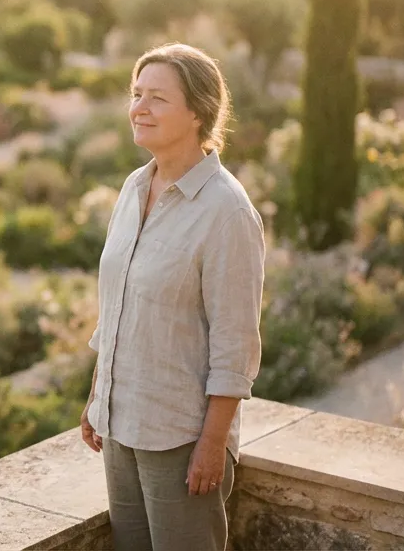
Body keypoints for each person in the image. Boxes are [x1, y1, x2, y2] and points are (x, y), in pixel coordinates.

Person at [78, 43, 266, 551]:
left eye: (157, 97)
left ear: (199, 112)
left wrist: (211, 445)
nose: (139, 107)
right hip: (122, 425)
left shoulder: (227, 212)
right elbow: (118, 303)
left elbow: (236, 345)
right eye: (136, 94)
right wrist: (100, 395)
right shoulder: (134, 188)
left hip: (180, 439)